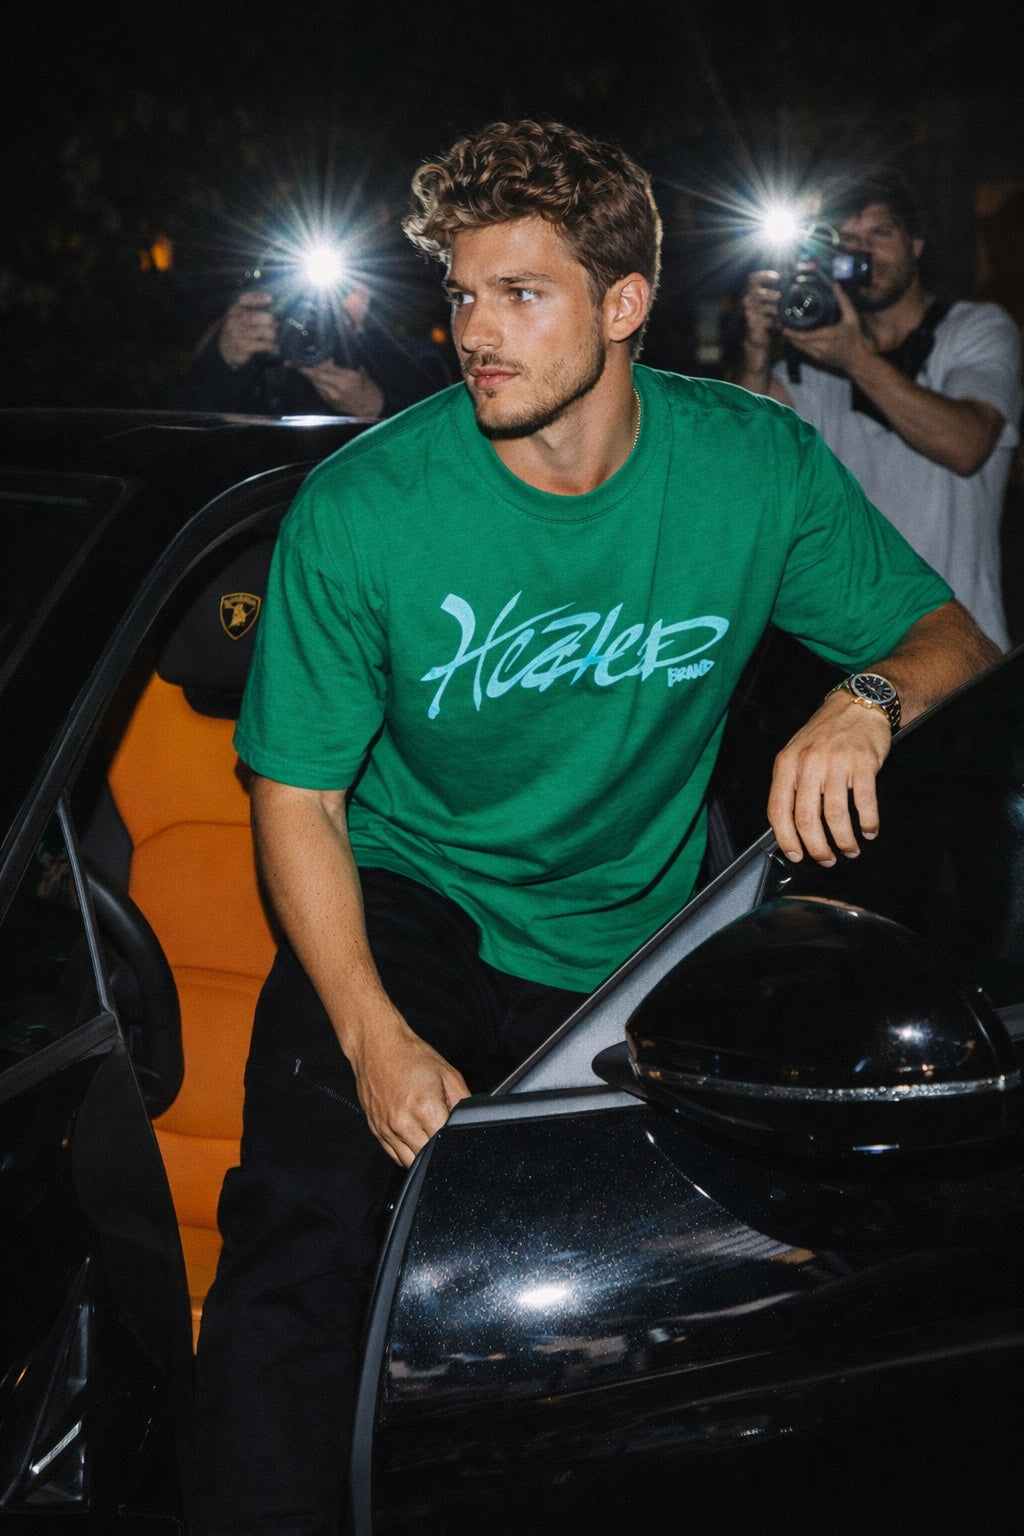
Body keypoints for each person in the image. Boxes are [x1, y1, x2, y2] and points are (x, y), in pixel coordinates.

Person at [192, 120, 998, 1534]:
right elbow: (299, 801)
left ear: (625, 305)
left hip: (642, 932)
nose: (476, 335)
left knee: (703, 1291)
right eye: (460, 297)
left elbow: (954, 644)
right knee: (302, 1238)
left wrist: (866, 699)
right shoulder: (367, 506)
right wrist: (376, 1035)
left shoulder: (751, 468)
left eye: (522, 295)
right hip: (418, 897)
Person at [734, 168, 1022, 650]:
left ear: (917, 244)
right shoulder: (817, 355)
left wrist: (857, 360)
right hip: (857, 650)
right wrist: (756, 349)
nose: (863, 252)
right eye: (847, 239)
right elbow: (744, 458)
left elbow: (967, 444)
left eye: (880, 233)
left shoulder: (974, 329)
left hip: (967, 643)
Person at [180, 273, 451, 418]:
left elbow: (445, 443)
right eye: (303, 295)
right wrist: (225, 361)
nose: (320, 310)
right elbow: (188, 434)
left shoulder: (408, 358)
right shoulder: (256, 353)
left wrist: (378, 407)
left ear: (364, 298)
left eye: (339, 294)